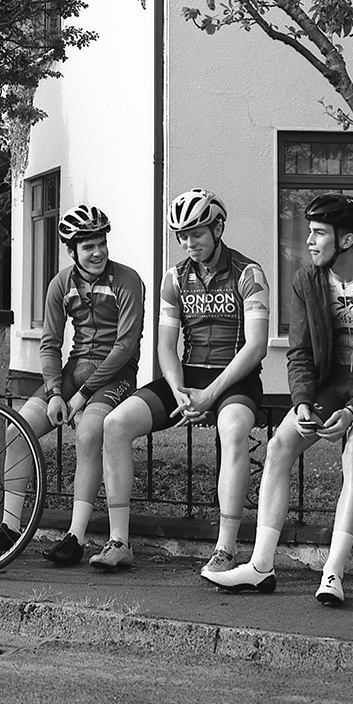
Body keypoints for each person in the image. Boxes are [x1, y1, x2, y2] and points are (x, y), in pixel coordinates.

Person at [202, 193, 353, 606]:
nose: (310, 242)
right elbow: (298, 353)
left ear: (347, 240)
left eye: (319, 234)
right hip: (329, 387)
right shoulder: (307, 281)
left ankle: (333, 573)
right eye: (310, 233)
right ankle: (261, 567)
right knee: (281, 444)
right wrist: (301, 401)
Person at [90, 189, 269, 572]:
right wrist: (178, 391)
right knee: (115, 424)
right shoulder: (175, 277)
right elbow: (166, 346)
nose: (190, 243)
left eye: (197, 234)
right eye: (182, 236)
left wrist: (210, 395)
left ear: (218, 228)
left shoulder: (248, 273)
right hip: (187, 376)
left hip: (235, 378)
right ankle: (119, 541)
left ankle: (225, 549)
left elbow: (256, 347)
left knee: (235, 430)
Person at [0, 205, 145, 565]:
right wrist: (56, 392)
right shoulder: (61, 284)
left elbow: (126, 346)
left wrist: (83, 396)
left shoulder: (128, 280)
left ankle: (75, 537)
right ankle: (10, 528)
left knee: (88, 434)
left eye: (101, 242)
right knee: (16, 429)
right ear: (72, 251)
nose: (98, 251)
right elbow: (49, 343)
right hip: (72, 371)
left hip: (115, 374)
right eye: (88, 246)